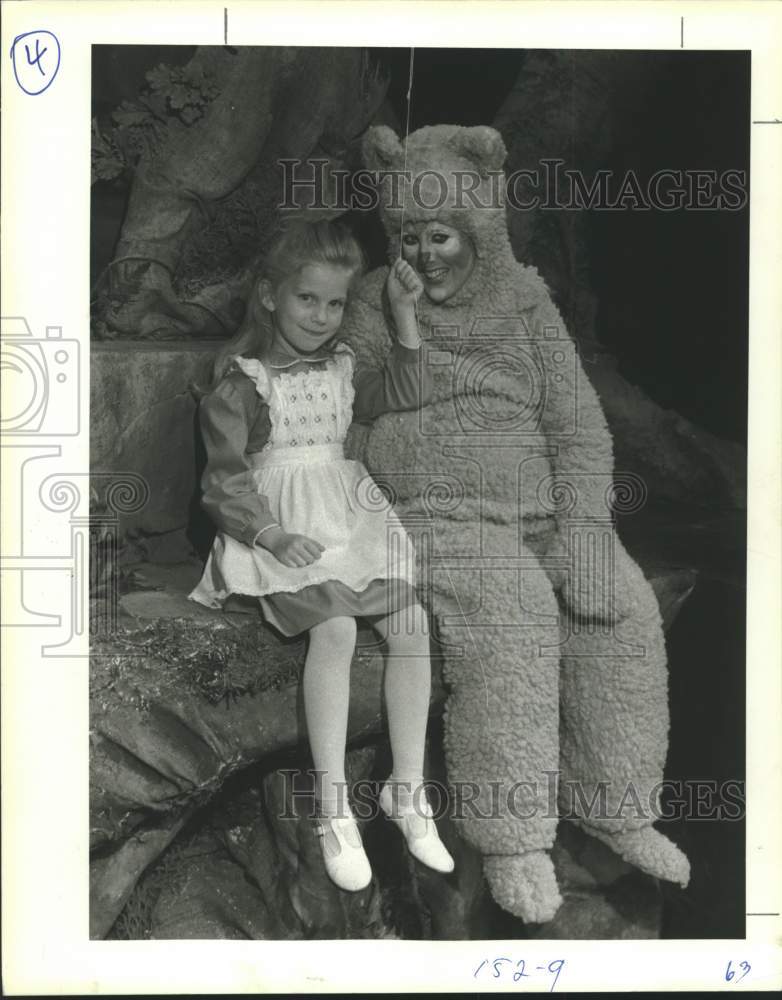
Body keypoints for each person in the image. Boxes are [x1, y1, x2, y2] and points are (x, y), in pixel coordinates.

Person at [338, 124, 690, 924]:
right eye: (411, 237)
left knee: (620, 608)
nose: (427, 254)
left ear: (480, 230)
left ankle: (618, 803)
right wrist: (401, 328)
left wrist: (587, 529)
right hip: (432, 519)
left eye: (443, 235)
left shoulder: (526, 302)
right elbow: (346, 405)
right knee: (513, 613)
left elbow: (578, 423)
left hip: (535, 515)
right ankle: (512, 836)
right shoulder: (370, 299)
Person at [189, 219, 455, 892]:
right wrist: (270, 534)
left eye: (335, 303)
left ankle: (406, 788)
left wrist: (402, 314)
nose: (322, 316)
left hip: (348, 518)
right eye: (308, 299)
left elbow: (409, 391)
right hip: (280, 525)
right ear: (271, 297)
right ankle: (332, 806)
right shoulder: (244, 382)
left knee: (412, 623)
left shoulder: (341, 368)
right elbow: (223, 480)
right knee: (334, 628)